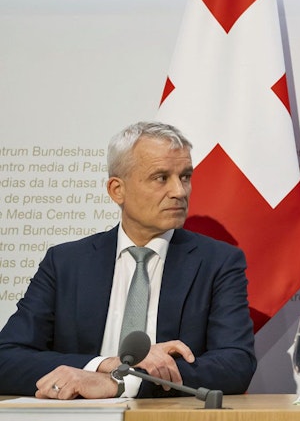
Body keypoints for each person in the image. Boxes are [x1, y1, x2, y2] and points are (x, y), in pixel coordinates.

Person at [0, 121, 256, 399]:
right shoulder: (64, 263)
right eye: (161, 178)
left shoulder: (218, 262)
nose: (180, 192)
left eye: (185, 176)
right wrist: (103, 366)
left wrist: (124, 382)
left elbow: (236, 364)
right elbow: (7, 359)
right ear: (116, 190)